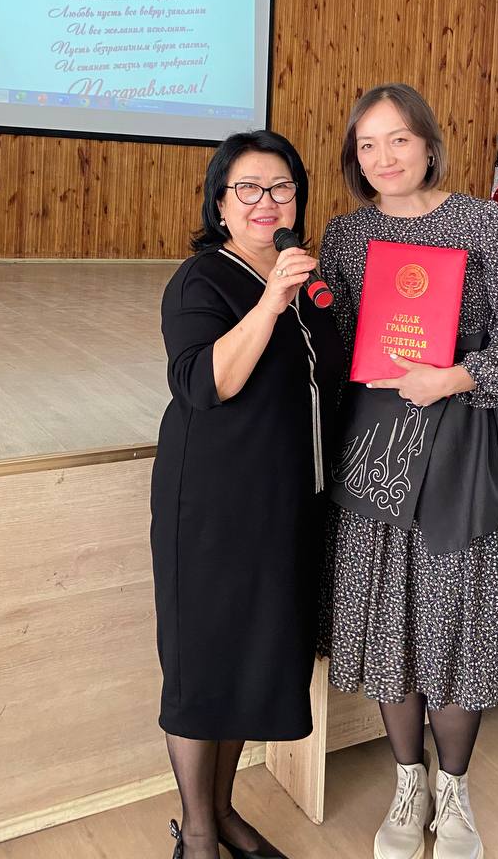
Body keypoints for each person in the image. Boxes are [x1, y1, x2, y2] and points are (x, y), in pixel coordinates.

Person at [318, 85, 498, 859]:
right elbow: (338, 344)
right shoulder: (347, 234)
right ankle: (406, 782)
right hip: (375, 452)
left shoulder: (485, 224)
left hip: (462, 445)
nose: (383, 158)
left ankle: (454, 792)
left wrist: (450, 377)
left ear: (428, 143)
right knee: (390, 615)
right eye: (367, 145)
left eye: (398, 140)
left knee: (458, 621)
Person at [151, 130, 344, 859]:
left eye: (282, 187)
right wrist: (270, 302)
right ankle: (198, 832)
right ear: (221, 204)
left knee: (251, 658)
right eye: (249, 189)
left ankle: (224, 811)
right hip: (213, 504)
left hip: (288, 502)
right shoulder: (201, 281)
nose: (268, 202)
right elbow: (207, 383)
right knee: (205, 662)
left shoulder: (310, 280)